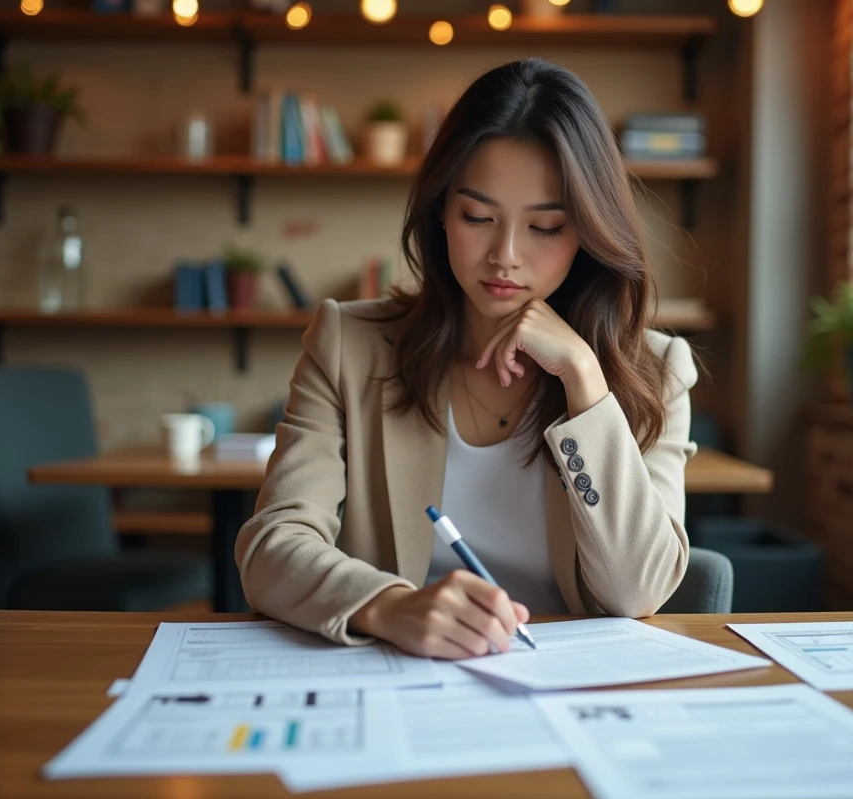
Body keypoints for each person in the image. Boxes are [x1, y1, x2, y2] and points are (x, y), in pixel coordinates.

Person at [235, 58, 698, 660]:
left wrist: (585, 381)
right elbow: (273, 545)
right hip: (397, 675)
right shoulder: (348, 344)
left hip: (568, 690)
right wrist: (389, 605)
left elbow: (638, 591)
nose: (504, 256)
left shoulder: (657, 370)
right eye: (478, 217)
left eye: (547, 227)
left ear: (588, 233)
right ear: (440, 213)